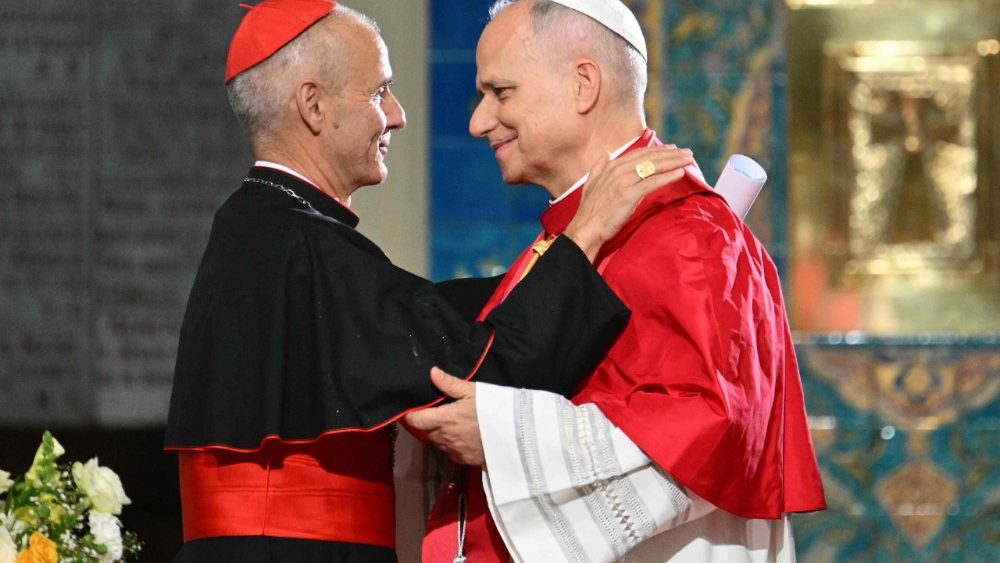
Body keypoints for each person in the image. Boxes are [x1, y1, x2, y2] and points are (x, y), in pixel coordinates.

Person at [163, 1, 694, 561]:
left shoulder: (273, 229)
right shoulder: (296, 242)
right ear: (312, 106)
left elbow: (421, 315)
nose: (397, 115)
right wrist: (583, 236)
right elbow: (484, 369)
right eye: (377, 93)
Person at [405, 1, 827, 561]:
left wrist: (505, 438)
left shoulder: (688, 232)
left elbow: (709, 426)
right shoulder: (574, 235)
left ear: (584, 84)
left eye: (501, 93)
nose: (478, 121)